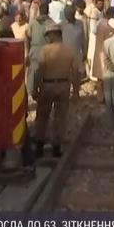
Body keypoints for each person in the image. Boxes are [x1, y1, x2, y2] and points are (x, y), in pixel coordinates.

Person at [33, 22, 80, 158]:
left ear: (54, 34)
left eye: (48, 35)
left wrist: (36, 88)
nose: (47, 38)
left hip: (47, 85)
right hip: (63, 85)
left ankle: (39, 146)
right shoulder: (69, 51)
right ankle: (56, 147)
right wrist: (75, 92)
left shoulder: (45, 50)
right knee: (60, 117)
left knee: (42, 116)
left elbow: (40, 71)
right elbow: (75, 73)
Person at [27, 2, 56, 99]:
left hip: (35, 51)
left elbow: (28, 36)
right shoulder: (52, 23)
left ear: (39, 11)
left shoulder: (33, 22)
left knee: (34, 73)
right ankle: (44, 92)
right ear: (48, 11)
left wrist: (28, 51)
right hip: (47, 51)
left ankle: (33, 92)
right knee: (46, 74)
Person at [61, 5, 86, 82]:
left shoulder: (80, 24)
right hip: (65, 57)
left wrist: (85, 52)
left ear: (73, 14)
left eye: (68, 15)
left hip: (77, 55)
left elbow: (83, 39)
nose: (67, 16)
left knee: (77, 78)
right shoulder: (62, 25)